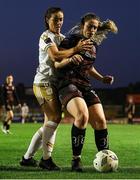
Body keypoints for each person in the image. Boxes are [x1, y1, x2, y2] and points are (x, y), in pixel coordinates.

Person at [20, 7, 92, 170]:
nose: (59, 22)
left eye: (61, 19)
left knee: (50, 122)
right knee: (54, 117)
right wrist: (75, 50)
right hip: (43, 83)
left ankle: (27, 158)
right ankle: (46, 160)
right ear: (47, 19)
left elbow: (65, 60)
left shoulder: (63, 38)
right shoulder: (46, 36)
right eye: (56, 19)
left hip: (55, 84)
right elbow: (54, 56)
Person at [53, 13, 118, 171]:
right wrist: (70, 59)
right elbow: (57, 64)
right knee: (82, 116)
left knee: (101, 121)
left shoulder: (93, 46)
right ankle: (76, 160)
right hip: (67, 83)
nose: (93, 29)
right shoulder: (70, 40)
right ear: (83, 25)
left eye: (95, 27)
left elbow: (89, 67)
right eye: (90, 26)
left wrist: (102, 78)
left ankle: (105, 158)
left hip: (85, 85)